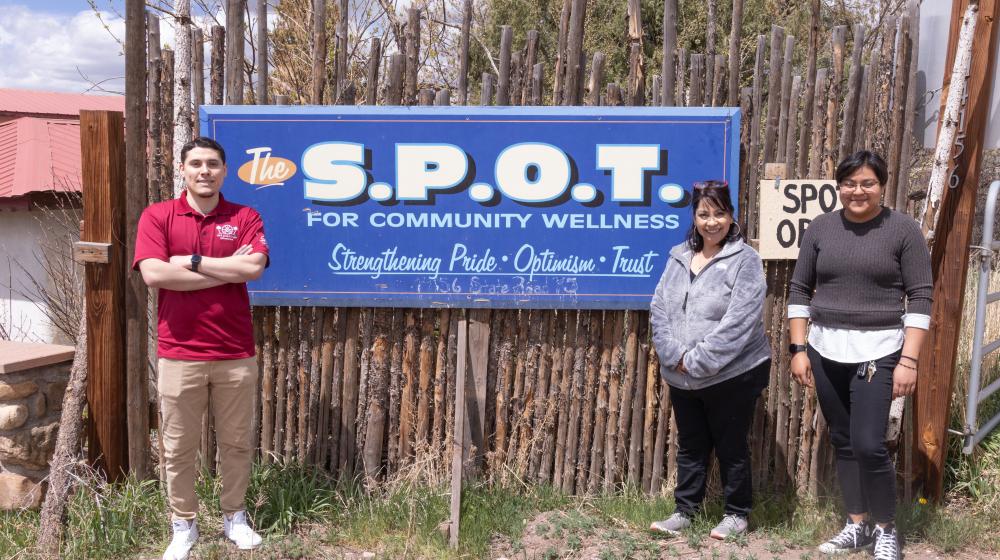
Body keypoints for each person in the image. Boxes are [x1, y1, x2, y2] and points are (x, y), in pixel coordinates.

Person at [787, 151, 932, 560]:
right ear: (839, 186)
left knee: (869, 444)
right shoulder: (820, 229)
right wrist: (799, 349)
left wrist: (909, 360)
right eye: (850, 183)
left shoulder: (904, 231)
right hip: (825, 348)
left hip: (881, 349)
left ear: (882, 185)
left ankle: (887, 530)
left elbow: (920, 296)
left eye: (867, 183)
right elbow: (800, 289)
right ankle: (857, 524)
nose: (858, 191)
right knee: (843, 441)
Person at [134, 137, 269, 560]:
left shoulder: (245, 215)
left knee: (236, 443)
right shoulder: (158, 216)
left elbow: (253, 267)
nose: (204, 171)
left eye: (213, 164)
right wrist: (226, 271)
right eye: (196, 164)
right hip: (179, 353)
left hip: (235, 352)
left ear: (225, 171)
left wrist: (189, 261)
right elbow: (154, 274)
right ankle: (183, 526)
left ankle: (235, 517)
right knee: (177, 447)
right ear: (183, 170)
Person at [648, 180, 771, 540]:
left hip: (733, 373)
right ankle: (685, 511)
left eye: (720, 213)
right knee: (691, 444)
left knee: (731, 443)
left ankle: (736, 514)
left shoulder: (745, 261)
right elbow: (659, 308)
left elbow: (741, 322)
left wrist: (697, 360)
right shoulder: (678, 257)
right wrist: (674, 356)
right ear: (694, 216)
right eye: (704, 214)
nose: (712, 221)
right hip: (682, 374)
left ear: (732, 217)